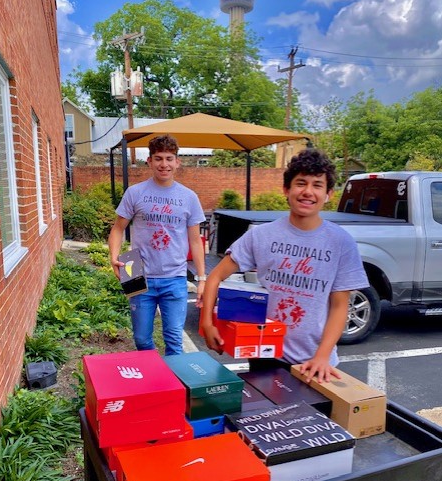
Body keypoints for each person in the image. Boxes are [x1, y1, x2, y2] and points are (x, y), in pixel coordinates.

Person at [201, 148, 368, 382]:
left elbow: (340, 306)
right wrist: (207, 323)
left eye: (317, 185)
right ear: (286, 189)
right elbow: (215, 277)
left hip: (314, 363)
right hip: (264, 354)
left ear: (329, 193)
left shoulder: (341, 242)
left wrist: (322, 356)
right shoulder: (261, 235)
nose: (308, 192)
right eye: (300, 183)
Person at [108, 134, 206, 356]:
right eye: (159, 158)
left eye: (169, 158)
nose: (164, 164)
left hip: (175, 276)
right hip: (136, 271)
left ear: (177, 162)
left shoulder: (189, 197)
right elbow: (117, 228)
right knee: (141, 339)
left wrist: (202, 279)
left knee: (174, 341)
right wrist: (113, 256)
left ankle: (172, 387)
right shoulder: (135, 192)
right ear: (150, 161)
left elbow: (195, 241)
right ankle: (156, 374)